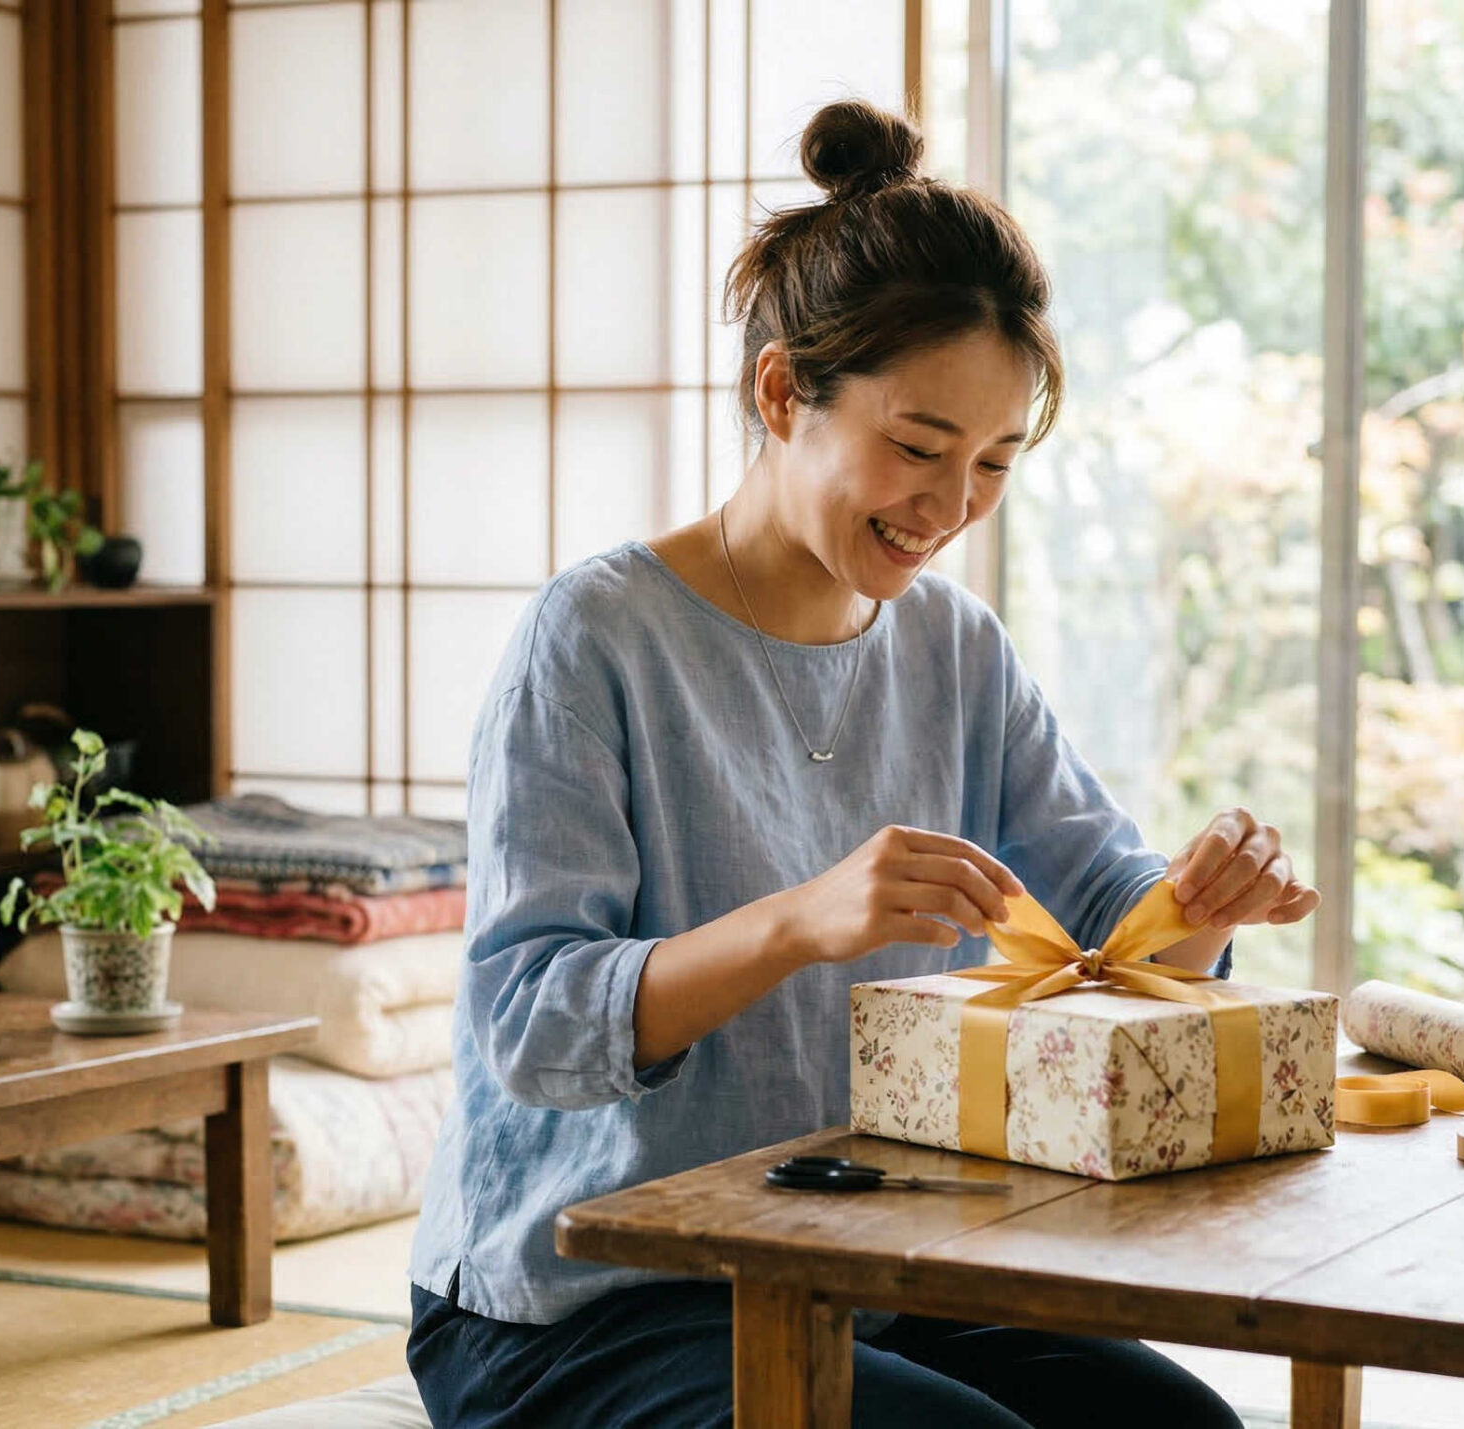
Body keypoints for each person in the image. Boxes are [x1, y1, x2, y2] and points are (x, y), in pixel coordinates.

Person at [408, 98, 1322, 1429]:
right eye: (917, 446)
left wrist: (1201, 903)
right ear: (786, 393)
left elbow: (1108, 929)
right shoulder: (597, 634)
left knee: (1184, 1428)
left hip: (862, 1259)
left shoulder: (954, 645)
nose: (952, 508)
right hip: (581, 1293)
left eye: (996, 462)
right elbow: (530, 1023)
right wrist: (795, 921)